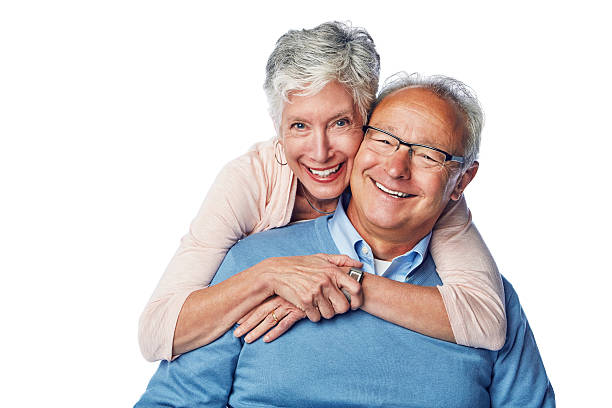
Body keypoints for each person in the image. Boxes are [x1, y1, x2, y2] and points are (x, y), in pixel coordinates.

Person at [135, 73, 555, 407]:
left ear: (461, 181)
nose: (396, 167)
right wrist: (267, 276)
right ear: (361, 144)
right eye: (384, 140)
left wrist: (348, 283)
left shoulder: (487, 301)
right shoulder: (253, 259)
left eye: (429, 155)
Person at [139, 21, 506, 363]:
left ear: (369, 119)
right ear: (278, 129)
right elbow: (156, 334)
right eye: (299, 125)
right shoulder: (250, 181)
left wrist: (341, 285)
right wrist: (269, 277)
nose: (320, 152)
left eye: (340, 123)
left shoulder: (413, 186)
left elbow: (487, 321)